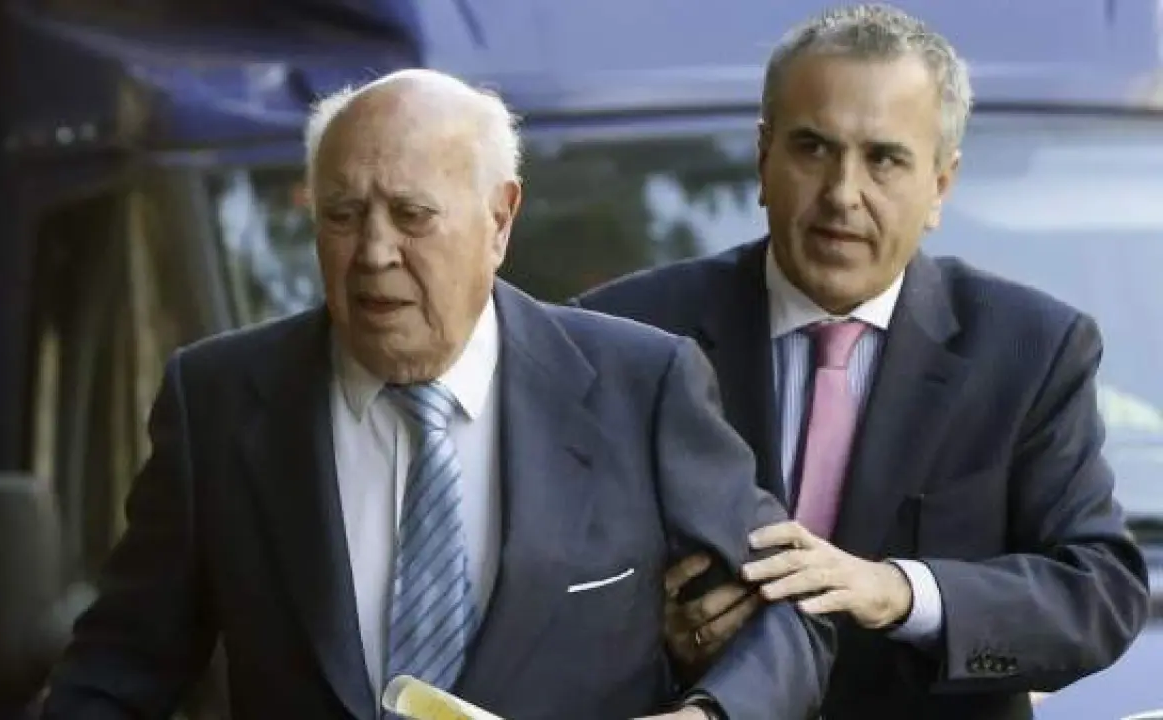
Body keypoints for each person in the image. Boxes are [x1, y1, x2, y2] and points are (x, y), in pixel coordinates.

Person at [40, 69, 833, 720]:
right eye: (343, 215)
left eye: (412, 216)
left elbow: (795, 613)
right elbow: (118, 668)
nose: (374, 252)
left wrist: (707, 715)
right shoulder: (218, 400)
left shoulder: (640, 386)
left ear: (499, 220)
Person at [575, 4, 1150, 719]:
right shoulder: (623, 332)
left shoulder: (1029, 351)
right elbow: (536, 585)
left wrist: (900, 592)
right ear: (763, 158)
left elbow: (1098, 592)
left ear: (940, 185)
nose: (843, 194)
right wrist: (646, 633)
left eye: (884, 159)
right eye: (813, 148)